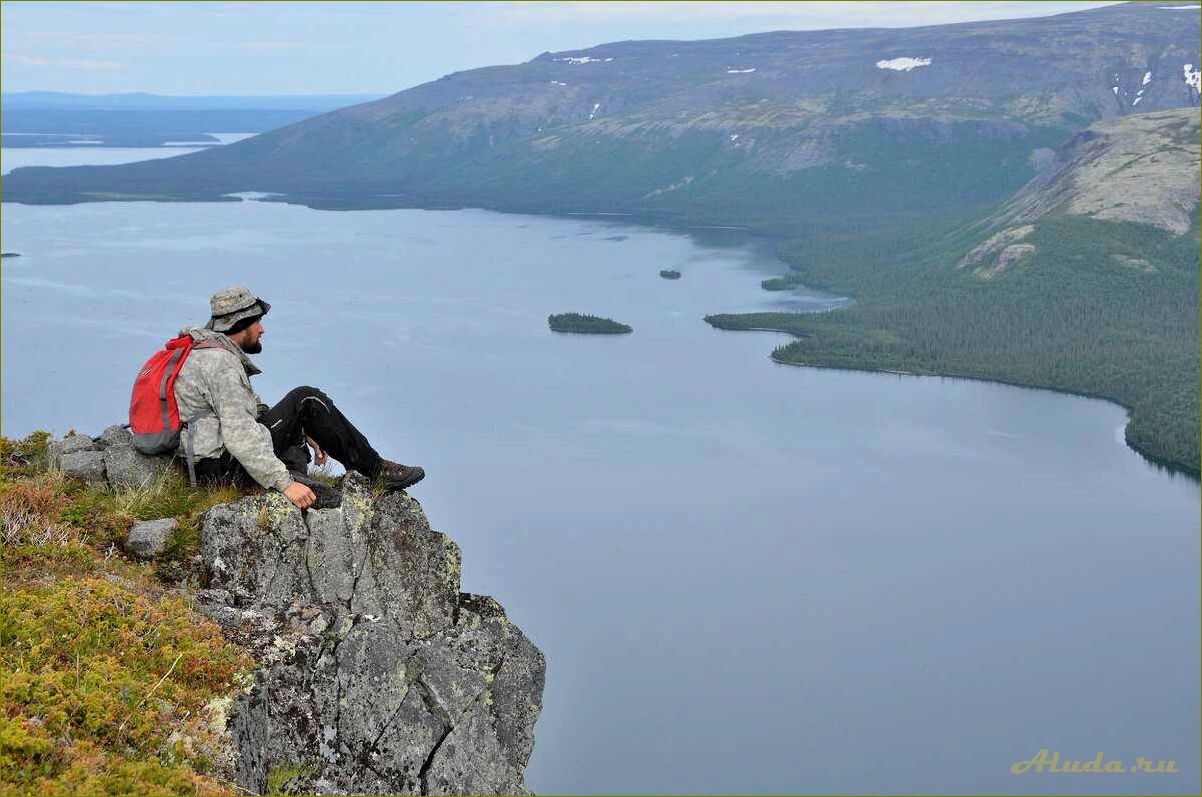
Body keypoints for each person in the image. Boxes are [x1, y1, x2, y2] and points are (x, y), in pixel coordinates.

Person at [173, 285, 425, 510]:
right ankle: (374, 471)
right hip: (221, 471)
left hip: (206, 465)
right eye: (257, 322)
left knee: (290, 418)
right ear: (241, 324)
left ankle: (300, 477)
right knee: (306, 400)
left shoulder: (202, 354)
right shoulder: (222, 364)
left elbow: (245, 414)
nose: (262, 329)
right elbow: (239, 436)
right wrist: (284, 485)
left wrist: (300, 429)